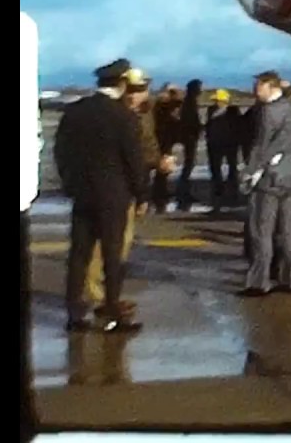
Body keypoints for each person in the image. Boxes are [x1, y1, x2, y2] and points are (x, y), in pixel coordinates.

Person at [54, 58, 148, 333]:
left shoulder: (75, 112)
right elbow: (133, 160)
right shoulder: (123, 116)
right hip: (114, 196)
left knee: (79, 255)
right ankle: (112, 313)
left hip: (82, 194)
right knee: (112, 255)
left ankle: (74, 314)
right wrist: (141, 193)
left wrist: (70, 183)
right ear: (121, 84)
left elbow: (61, 152)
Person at [84, 67, 175, 314]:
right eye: (135, 89)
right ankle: (97, 296)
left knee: (121, 244)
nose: (141, 94)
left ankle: (109, 295)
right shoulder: (119, 115)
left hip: (131, 186)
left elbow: (147, 144)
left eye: (144, 88)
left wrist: (157, 162)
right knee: (102, 246)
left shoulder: (144, 113)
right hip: (114, 187)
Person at [240, 70, 291, 296]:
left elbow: (260, 147)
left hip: (269, 178)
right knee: (288, 230)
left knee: (262, 231)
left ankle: (259, 281)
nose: (255, 91)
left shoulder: (267, 112)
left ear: (270, 86)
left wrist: (248, 173)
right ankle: (289, 278)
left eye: (258, 87)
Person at [205, 88, 242, 210]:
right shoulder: (210, 110)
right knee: (215, 168)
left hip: (229, 143)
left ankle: (233, 190)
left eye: (218, 100)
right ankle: (218, 190)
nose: (216, 103)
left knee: (232, 167)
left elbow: (238, 126)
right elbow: (208, 126)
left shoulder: (233, 111)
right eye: (215, 100)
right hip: (214, 143)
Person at [150, 83, 183, 212]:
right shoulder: (163, 106)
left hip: (163, 139)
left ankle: (158, 193)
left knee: (161, 169)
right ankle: (159, 194)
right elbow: (178, 102)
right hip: (162, 140)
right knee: (161, 169)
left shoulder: (159, 105)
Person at [176, 79, 204, 210]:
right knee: (188, 164)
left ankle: (184, 190)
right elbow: (189, 121)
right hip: (189, 137)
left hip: (189, 136)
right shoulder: (189, 102)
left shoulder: (189, 101)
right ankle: (182, 191)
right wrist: (198, 128)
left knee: (189, 164)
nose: (201, 90)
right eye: (199, 88)